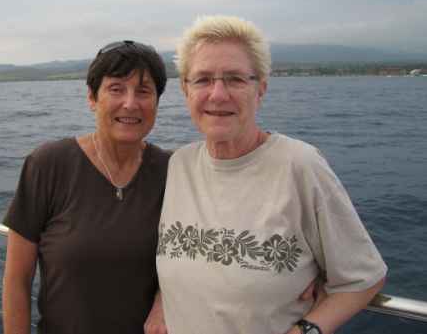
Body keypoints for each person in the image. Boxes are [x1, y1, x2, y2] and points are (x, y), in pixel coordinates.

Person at [156, 16, 387, 334]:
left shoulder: (299, 165)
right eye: (203, 79)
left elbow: (364, 277)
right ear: (185, 89)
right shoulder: (179, 165)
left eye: (235, 79)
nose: (218, 94)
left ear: (260, 88)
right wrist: (161, 300)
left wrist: (306, 330)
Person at [2, 40, 170, 334]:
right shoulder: (48, 164)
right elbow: (17, 279)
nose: (130, 103)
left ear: (156, 101)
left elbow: (192, 263)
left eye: (143, 91)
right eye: (116, 88)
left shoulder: (173, 171)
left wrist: (164, 300)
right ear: (92, 97)